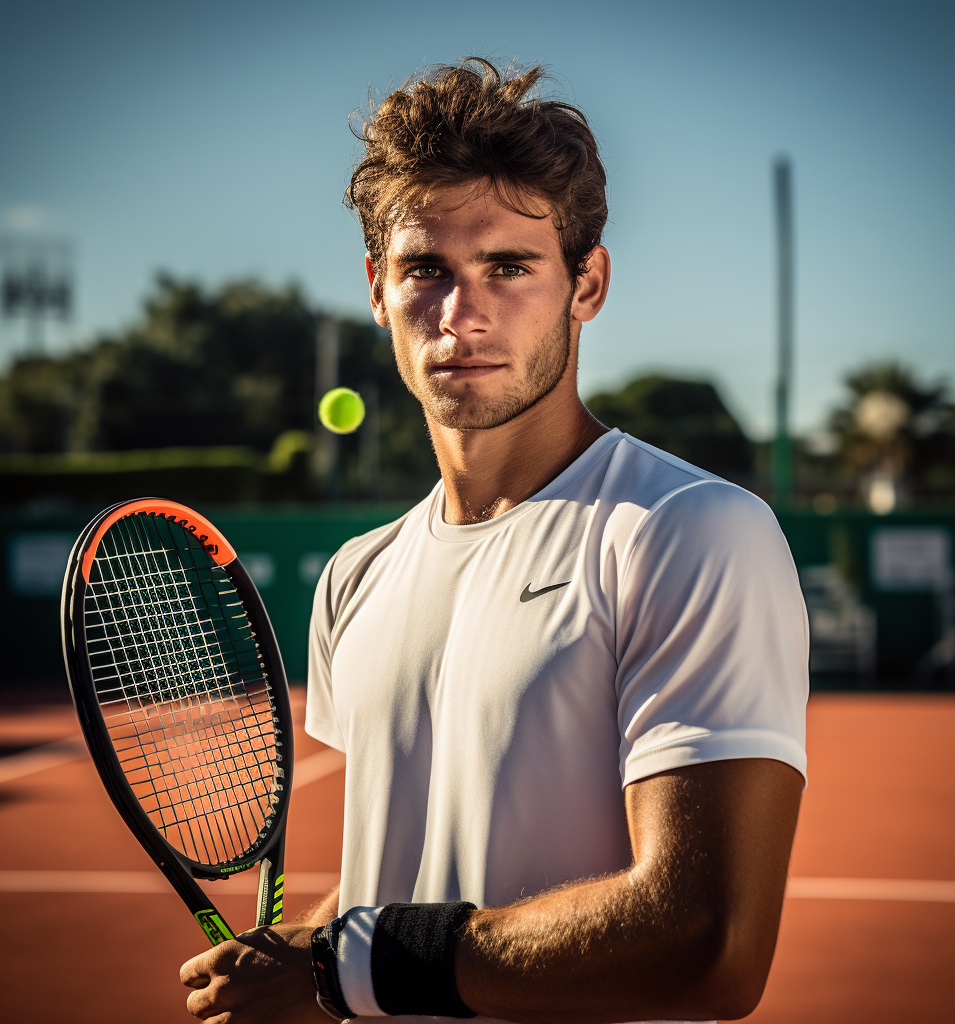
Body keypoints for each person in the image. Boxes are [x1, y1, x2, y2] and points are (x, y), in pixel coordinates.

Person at [181, 57, 808, 1024]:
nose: (461, 315)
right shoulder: (357, 576)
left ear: (586, 283)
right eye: (425, 270)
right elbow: (395, 886)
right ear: (377, 291)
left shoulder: (691, 532)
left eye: (509, 267)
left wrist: (336, 971)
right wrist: (304, 952)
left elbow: (705, 945)